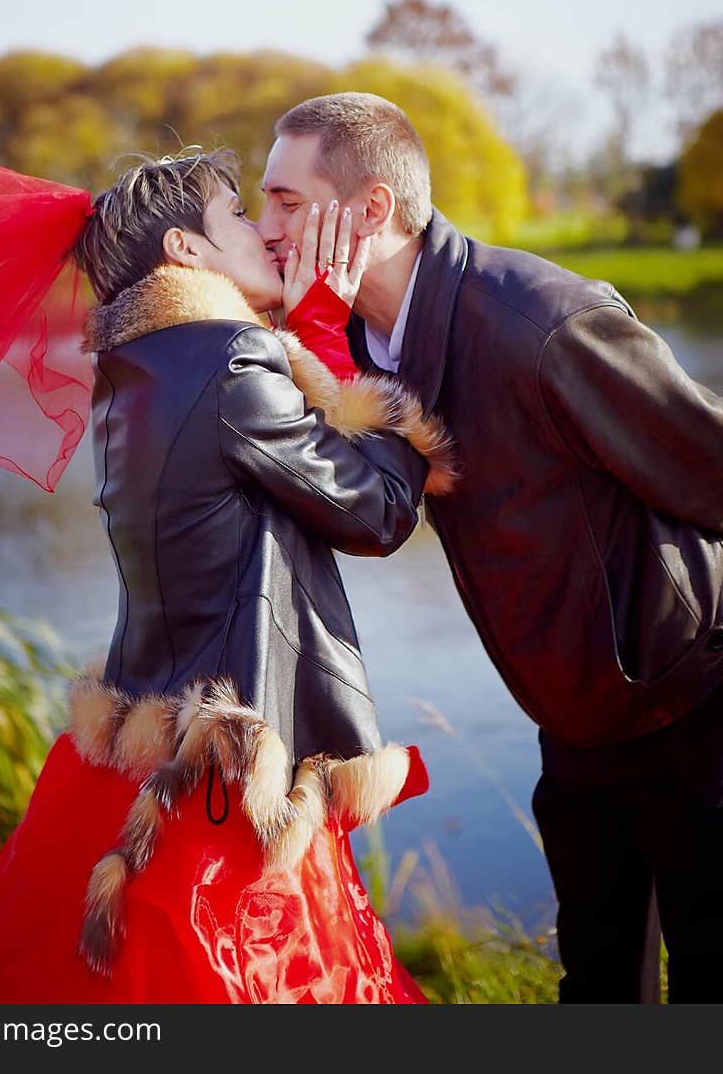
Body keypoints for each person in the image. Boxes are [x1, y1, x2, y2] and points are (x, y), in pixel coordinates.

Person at [0, 148, 457, 1005]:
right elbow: (379, 511)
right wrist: (327, 338)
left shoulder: (144, 366)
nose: (262, 233)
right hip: (226, 774)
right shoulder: (230, 363)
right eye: (237, 216)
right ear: (187, 252)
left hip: (160, 729)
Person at [257, 91, 723, 1005]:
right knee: (596, 991)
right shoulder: (353, 343)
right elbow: (372, 521)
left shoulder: (541, 324)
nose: (267, 220)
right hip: (577, 732)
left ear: (371, 211)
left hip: (695, 716)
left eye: (283, 198)